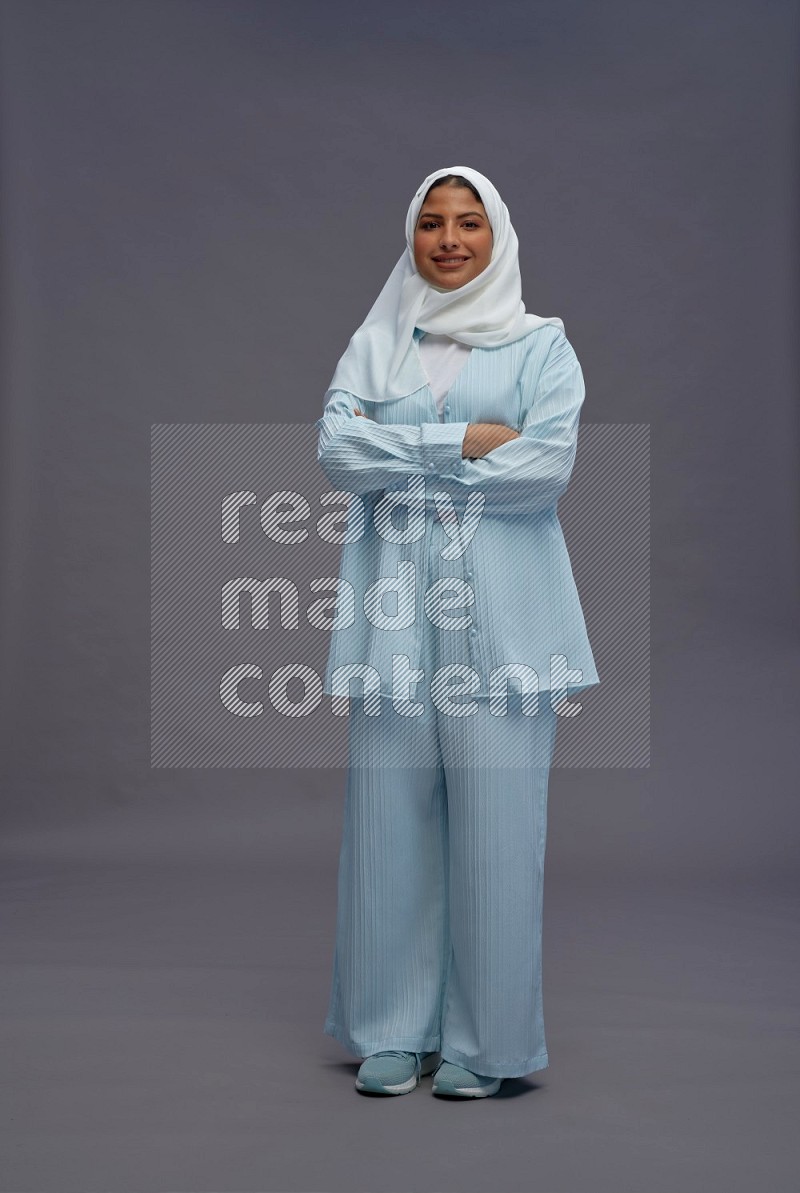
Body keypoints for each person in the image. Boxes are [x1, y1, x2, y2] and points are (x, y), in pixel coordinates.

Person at [314, 165, 600, 1098]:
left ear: (496, 234)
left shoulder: (541, 347)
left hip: (507, 630)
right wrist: (460, 442)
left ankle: (485, 1044)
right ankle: (393, 1029)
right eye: (431, 223)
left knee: (498, 834)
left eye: (468, 223)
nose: (448, 239)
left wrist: (410, 456)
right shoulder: (374, 345)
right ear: (411, 235)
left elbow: (543, 468)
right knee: (387, 828)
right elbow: (335, 455)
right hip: (393, 624)